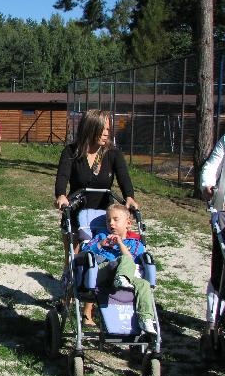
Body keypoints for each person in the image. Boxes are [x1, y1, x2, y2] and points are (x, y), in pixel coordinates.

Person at [54, 109, 139, 325]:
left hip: (101, 218)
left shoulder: (112, 154)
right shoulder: (72, 152)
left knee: (98, 256)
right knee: (74, 257)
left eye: (109, 129)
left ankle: (87, 311)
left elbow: (124, 177)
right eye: (104, 129)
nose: (108, 133)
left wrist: (129, 197)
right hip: (75, 214)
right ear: (91, 128)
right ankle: (66, 299)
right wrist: (61, 195)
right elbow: (62, 176)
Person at [80, 204, 156, 335]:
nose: (111, 223)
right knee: (120, 261)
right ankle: (121, 279)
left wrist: (120, 244)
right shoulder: (101, 237)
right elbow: (84, 252)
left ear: (128, 223)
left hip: (128, 277)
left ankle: (145, 318)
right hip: (103, 272)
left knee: (144, 284)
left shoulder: (135, 243)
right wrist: (100, 244)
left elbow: (133, 260)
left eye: (116, 220)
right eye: (108, 220)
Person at [200, 133, 225, 332]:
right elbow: (212, 165)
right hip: (223, 213)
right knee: (220, 270)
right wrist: (207, 184)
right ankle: (212, 321)